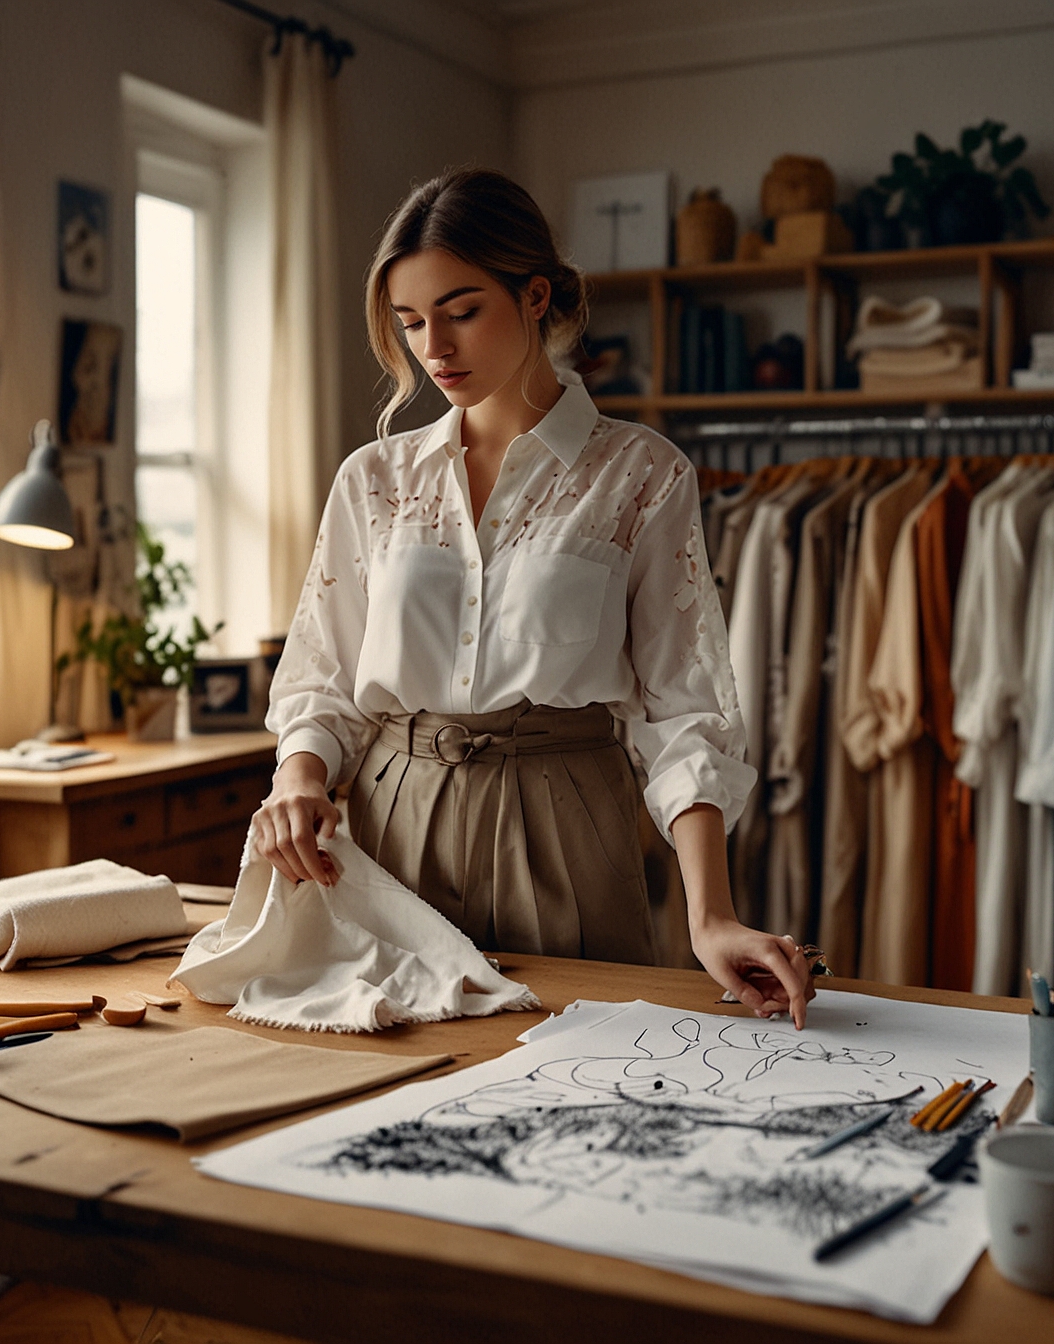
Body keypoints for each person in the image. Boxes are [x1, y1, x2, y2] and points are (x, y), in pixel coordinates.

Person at [250, 168, 815, 1025]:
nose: (433, 348)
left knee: (572, 1079)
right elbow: (324, 680)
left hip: (565, 823)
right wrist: (298, 778)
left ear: (535, 295)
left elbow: (684, 714)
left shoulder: (641, 475)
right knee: (383, 1090)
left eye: (461, 310)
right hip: (390, 825)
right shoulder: (373, 481)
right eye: (410, 323)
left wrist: (710, 916)